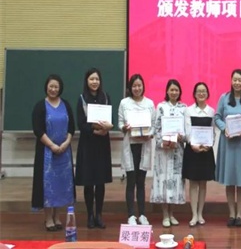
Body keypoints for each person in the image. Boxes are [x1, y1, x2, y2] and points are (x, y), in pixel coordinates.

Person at [31, 74, 76, 232]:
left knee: (61, 185)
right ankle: (48, 218)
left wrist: (65, 143)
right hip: (47, 152)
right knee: (48, 185)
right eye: (51, 86)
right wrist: (52, 145)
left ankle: (57, 216)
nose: (53, 89)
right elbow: (38, 130)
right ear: (46, 87)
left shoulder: (66, 105)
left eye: (56, 87)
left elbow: (71, 128)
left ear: (60, 88)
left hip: (64, 152)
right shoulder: (40, 106)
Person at [215, 69, 241, 227]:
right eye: (235, 80)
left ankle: (239, 214)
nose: (237, 83)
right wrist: (225, 128)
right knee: (230, 180)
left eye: (240, 80)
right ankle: (231, 213)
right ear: (231, 81)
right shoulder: (224, 98)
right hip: (228, 143)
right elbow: (217, 117)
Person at [75, 67, 113, 229]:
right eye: (91, 79)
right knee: (89, 181)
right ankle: (90, 215)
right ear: (87, 81)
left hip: (102, 144)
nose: (94, 82)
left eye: (97, 79)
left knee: (100, 181)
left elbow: (110, 120)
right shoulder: (82, 98)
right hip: (88, 144)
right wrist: (94, 130)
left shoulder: (106, 97)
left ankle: (99, 215)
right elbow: (81, 123)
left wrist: (107, 128)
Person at [117, 74, 154, 226]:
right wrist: (124, 127)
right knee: (131, 181)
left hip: (144, 145)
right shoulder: (124, 103)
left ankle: (142, 214)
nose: (137, 88)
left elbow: (154, 125)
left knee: (141, 181)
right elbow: (120, 123)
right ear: (130, 88)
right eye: (134, 86)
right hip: (130, 145)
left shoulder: (149, 103)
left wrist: (150, 134)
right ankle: (131, 215)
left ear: (143, 86)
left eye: (139, 85)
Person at [150, 79, 187, 228]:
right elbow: (156, 128)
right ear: (167, 91)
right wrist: (163, 142)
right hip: (163, 151)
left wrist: (181, 137)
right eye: (171, 89)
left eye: (176, 90)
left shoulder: (184, 108)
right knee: (164, 180)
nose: (174, 92)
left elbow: (186, 129)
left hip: (178, 150)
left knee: (175, 181)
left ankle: (172, 214)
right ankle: (165, 214)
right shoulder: (161, 107)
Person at [183, 82, 216, 227]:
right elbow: (187, 130)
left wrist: (210, 144)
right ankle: (194, 214)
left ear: (207, 94)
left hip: (206, 151)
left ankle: (200, 213)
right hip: (192, 150)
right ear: (194, 94)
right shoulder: (188, 110)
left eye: (204, 91)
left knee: (203, 183)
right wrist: (193, 145)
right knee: (193, 183)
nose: (201, 94)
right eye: (199, 91)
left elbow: (213, 131)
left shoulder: (211, 111)